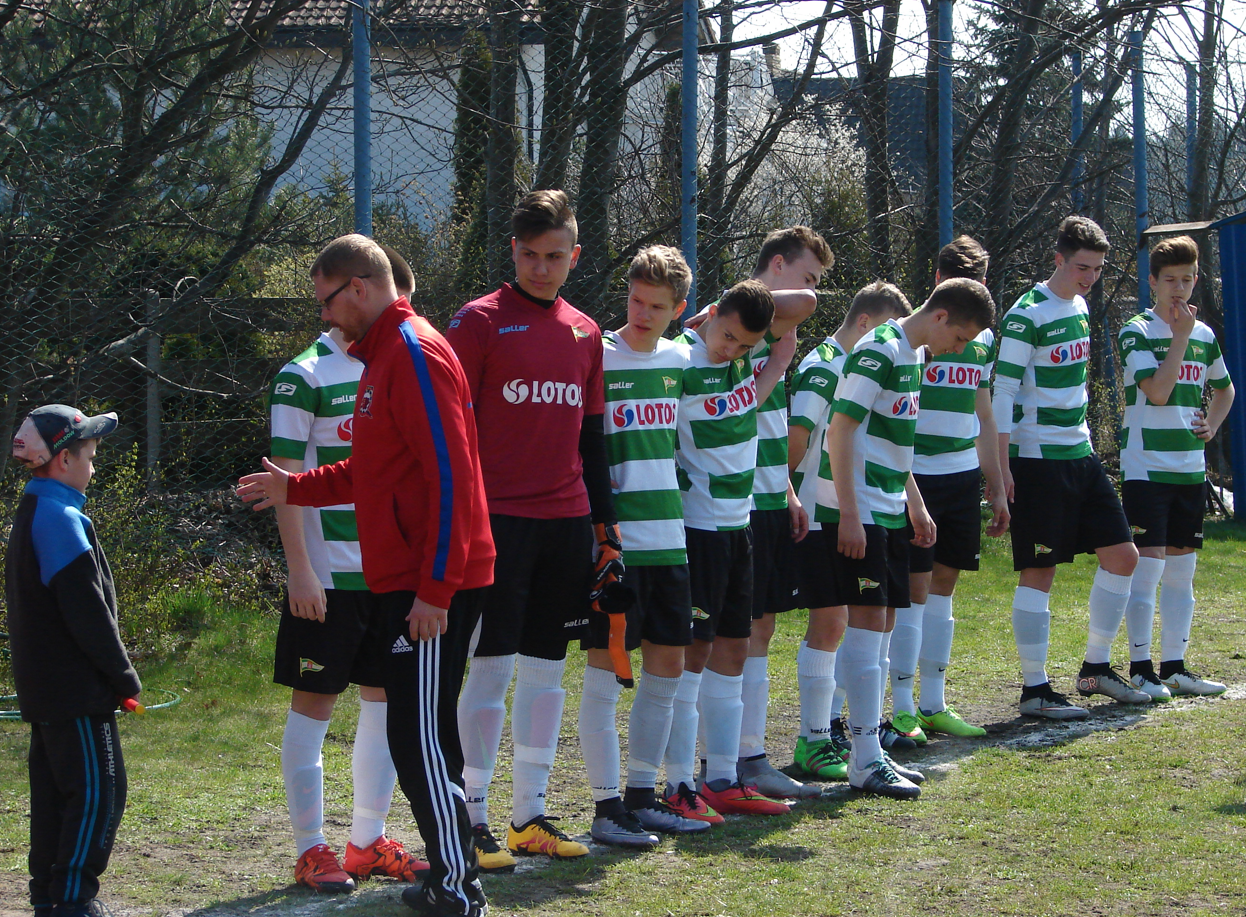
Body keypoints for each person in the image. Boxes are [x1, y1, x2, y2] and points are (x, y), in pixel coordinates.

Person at [238, 233, 495, 917]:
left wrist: (435, 589)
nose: (324, 316)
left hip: (428, 584)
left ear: (358, 287)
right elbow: (373, 469)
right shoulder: (380, 357)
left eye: (327, 301)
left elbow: (452, 475)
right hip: (406, 580)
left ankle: (456, 885)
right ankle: (451, 877)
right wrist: (293, 487)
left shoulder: (412, 353)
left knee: (419, 737)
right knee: (418, 734)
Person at [448, 190, 616, 866]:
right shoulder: (478, 321)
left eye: (554, 256)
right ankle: (469, 815)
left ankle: (530, 814)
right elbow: (450, 429)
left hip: (566, 523)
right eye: (530, 256)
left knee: (548, 671)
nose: (541, 268)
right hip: (496, 524)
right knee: (489, 669)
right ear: (513, 251)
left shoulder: (586, 332)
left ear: (574, 255)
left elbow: (593, 439)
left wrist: (605, 528)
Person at [268, 246, 426, 893]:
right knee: (314, 706)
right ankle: (312, 847)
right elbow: (284, 481)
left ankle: (366, 840)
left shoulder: (397, 362)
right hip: (328, 577)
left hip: (388, 575)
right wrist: (301, 570)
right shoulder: (302, 375)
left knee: (383, 702)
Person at [825, 278, 995, 798]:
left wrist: (913, 503)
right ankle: (861, 756)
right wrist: (850, 514)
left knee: (883, 625)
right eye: (961, 337)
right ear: (940, 316)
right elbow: (840, 430)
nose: (960, 350)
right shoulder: (879, 348)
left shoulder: (915, 354)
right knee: (867, 626)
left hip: (890, 508)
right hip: (864, 509)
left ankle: (868, 751)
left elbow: (893, 441)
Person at [577, 245, 712, 845]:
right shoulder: (598, 355)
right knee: (606, 676)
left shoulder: (684, 358)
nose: (642, 313)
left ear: (678, 309)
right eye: (635, 300)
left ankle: (641, 796)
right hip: (616, 546)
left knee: (667, 671)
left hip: (670, 541)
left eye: (656, 306)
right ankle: (606, 806)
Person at [993, 215, 1150, 719]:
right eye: (1083, 267)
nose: (1090, 278)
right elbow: (1003, 393)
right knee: (1040, 570)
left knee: (1123, 556)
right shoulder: (1026, 314)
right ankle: (1035, 689)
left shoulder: (1080, 306)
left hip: (1080, 453)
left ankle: (1096, 668)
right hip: (1037, 460)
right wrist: (1002, 470)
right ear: (1058, 259)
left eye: (1098, 269)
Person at [661, 279, 802, 820]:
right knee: (692, 655)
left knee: (735, 650)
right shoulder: (680, 358)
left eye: (745, 344)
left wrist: (767, 354)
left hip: (740, 525)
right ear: (713, 313)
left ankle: (721, 778)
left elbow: (800, 313)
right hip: (698, 526)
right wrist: (708, 313)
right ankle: (679, 783)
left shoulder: (745, 360)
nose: (732, 350)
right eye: (726, 337)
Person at [7, 404, 139, 917]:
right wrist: (122, 677)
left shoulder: (37, 509)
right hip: (76, 691)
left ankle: (48, 894)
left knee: (55, 795)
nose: (93, 467)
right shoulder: (59, 519)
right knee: (99, 792)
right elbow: (88, 614)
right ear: (63, 460)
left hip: (47, 689)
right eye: (89, 456)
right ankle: (72, 898)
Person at [787, 282, 911, 781]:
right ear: (865, 323)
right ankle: (815, 737)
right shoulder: (824, 365)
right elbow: (796, 441)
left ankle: (838, 730)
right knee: (830, 621)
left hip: (848, 507)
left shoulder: (865, 364)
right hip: (818, 512)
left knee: (850, 621)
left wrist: (914, 503)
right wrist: (788, 499)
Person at [889, 236, 1009, 744]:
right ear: (938, 280)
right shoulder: (916, 336)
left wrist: (996, 483)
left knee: (944, 587)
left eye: (979, 280)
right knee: (912, 589)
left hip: (961, 474)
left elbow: (984, 412)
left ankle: (934, 703)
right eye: (961, 279)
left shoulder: (980, 339)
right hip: (915, 474)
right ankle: (901, 708)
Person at [735, 226, 834, 800]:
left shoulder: (772, 330)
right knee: (738, 632)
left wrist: (789, 491)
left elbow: (765, 421)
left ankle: (748, 755)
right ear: (777, 265)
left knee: (762, 627)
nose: (813, 291)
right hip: (736, 503)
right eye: (807, 274)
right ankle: (732, 760)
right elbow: (805, 304)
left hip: (771, 496)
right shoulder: (743, 315)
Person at [1119, 235, 1234, 698]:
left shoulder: (1203, 335)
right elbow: (1159, 392)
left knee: (1183, 573)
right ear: (1152, 282)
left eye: (1187, 280)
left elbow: (1225, 389)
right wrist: (1180, 337)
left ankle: (1175, 667)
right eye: (1170, 280)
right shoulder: (1136, 330)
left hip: (1188, 467)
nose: (1179, 289)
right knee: (1148, 570)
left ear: (1196, 279)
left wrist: (1212, 424)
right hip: (1146, 467)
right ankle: (1141, 668)